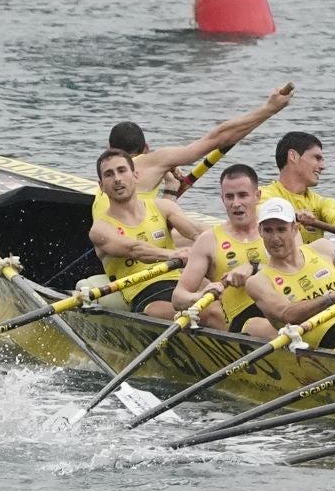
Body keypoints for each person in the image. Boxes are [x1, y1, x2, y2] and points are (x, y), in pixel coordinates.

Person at [100, 85, 292, 212]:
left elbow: (156, 222)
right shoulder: (152, 161)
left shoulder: (104, 176)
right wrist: (269, 109)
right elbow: (217, 138)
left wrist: (171, 187)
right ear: (146, 149)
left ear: (108, 149)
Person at [224, 198, 335, 350]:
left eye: (281, 229)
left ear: (295, 228)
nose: (275, 238)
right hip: (323, 337)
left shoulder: (322, 248)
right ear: (260, 231)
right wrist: (332, 297)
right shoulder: (258, 282)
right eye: (268, 230)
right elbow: (287, 314)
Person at [88, 149, 203, 317]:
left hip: (180, 285)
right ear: (101, 186)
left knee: (215, 309)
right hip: (146, 296)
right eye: (109, 174)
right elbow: (135, 249)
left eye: (122, 170)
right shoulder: (100, 229)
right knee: (201, 314)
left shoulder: (163, 207)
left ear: (135, 176)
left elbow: (197, 231)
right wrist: (173, 254)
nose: (117, 179)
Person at [170, 164, 268, 331]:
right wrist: (200, 296)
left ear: (257, 196)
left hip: (282, 312)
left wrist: (255, 268)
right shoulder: (208, 240)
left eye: (243, 195)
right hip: (242, 324)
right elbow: (178, 297)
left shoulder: (278, 230)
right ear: (222, 199)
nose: (236, 203)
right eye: (229, 197)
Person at [259, 131, 335, 238]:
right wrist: (292, 214)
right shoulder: (262, 195)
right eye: (317, 158)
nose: (323, 166)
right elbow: (258, 212)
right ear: (293, 156)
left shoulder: (323, 203)